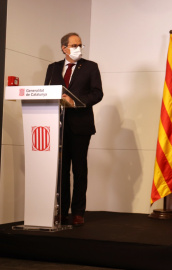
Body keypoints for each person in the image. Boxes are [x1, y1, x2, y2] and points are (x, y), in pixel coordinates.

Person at [44, 32, 103, 226]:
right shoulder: (53, 68)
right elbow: (47, 92)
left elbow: (97, 93)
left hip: (80, 126)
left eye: (80, 45)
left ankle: (78, 212)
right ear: (64, 48)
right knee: (61, 170)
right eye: (74, 45)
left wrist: (76, 102)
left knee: (79, 169)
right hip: (58, 126)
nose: (78, 48)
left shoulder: (90, 67)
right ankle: (61, 212)